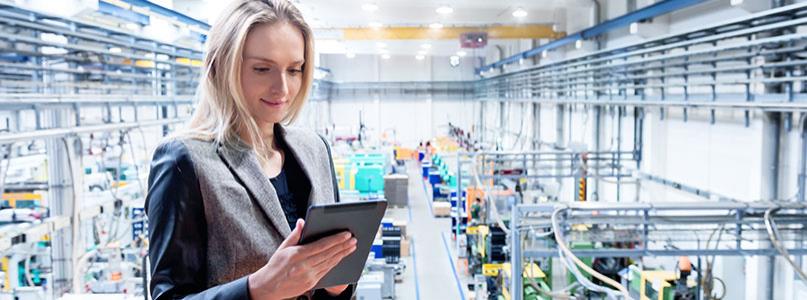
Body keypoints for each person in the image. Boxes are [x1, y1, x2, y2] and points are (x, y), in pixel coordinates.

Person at [145, 1, 355, 299]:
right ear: (223, 66)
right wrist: (256, 289)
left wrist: (336, 286)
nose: (282, 88)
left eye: (294, 70)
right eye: (262, 69)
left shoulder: (315, 149)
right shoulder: (185, 161)